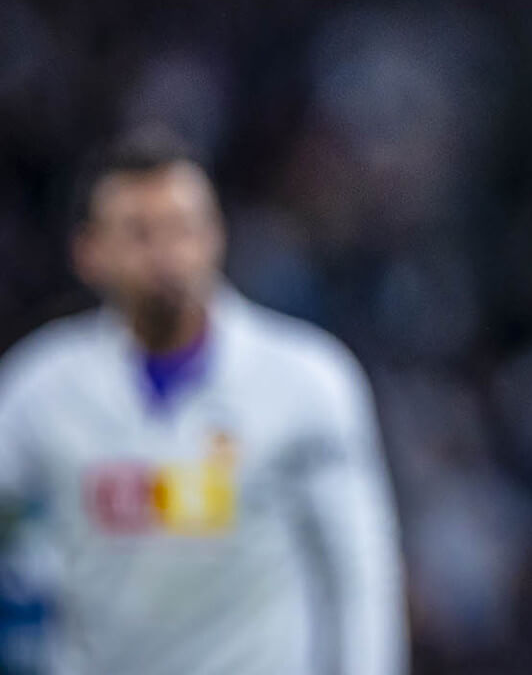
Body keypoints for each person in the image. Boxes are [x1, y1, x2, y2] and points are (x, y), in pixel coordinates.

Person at [0, 128, 407, 675]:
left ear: (216, 235)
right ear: (89, 252)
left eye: (182, 228)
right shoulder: (40, 391)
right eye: (139, 233)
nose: (166, 255)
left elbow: (359, 570)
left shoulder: (306, 381)